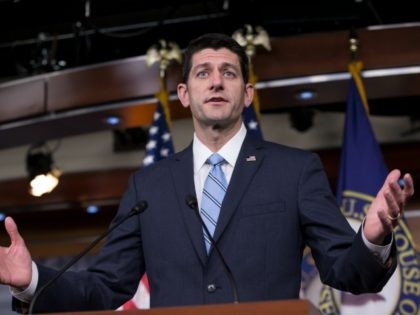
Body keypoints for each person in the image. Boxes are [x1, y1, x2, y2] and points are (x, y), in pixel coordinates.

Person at [0, 33, 414, 313]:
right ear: (184, 94)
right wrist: (32, 279)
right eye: (203, 73)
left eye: (229, 73)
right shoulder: (150, 185)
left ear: (247, 94)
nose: (216, 82)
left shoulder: (295, 171)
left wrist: (373, 238)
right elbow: (106, 286)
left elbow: (347, 272)